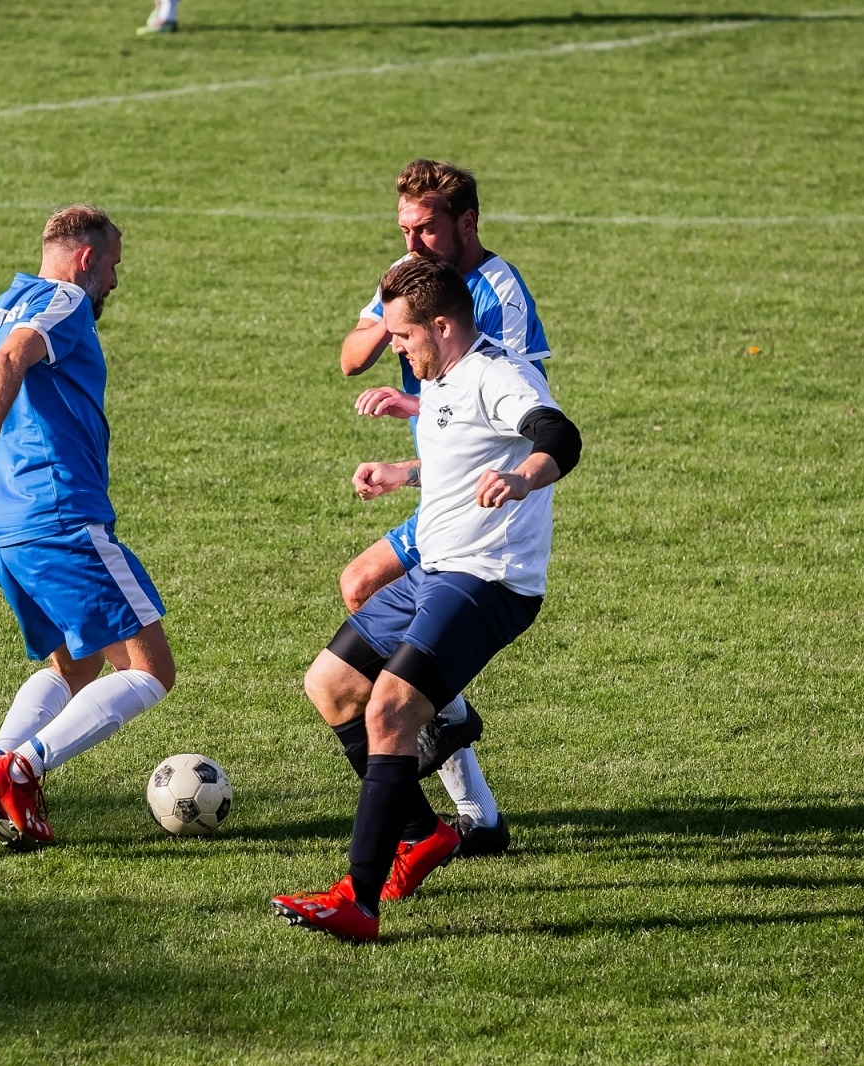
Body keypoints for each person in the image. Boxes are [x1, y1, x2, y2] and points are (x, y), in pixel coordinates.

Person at [273, 257, 581, 941]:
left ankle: (358, 898)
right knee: (329, 684)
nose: (400, 350)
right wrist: (403, 473)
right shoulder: (441, 377)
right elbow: (459, 449)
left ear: (442, 326)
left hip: (487, 580)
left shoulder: (498, 375)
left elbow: (559, 434)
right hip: (434, 570)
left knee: (388, 708)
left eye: (404, 337)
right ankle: (423, 833)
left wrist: (525, 478)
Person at [0, 204, 174, 849]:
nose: (115, 280)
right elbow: (12, 358)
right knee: (149, 671)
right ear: (87, 258)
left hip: (4, 530)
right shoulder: (65, 301)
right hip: (60, 517)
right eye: (114, 264)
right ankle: (21, 767)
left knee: (75, 665)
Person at [338, 159, 554, 857]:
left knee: (379, 615)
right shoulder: (407, 276)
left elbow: (518, 404)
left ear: (466, 222)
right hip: (436, 485)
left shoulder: (500, 292)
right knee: (360, 589)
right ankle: (478, 812)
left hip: (479, 501)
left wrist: (421, 407)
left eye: (426, 228)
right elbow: (349, 360)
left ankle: (451, 752)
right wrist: (385, 316)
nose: (413, 241)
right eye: (404, 227)